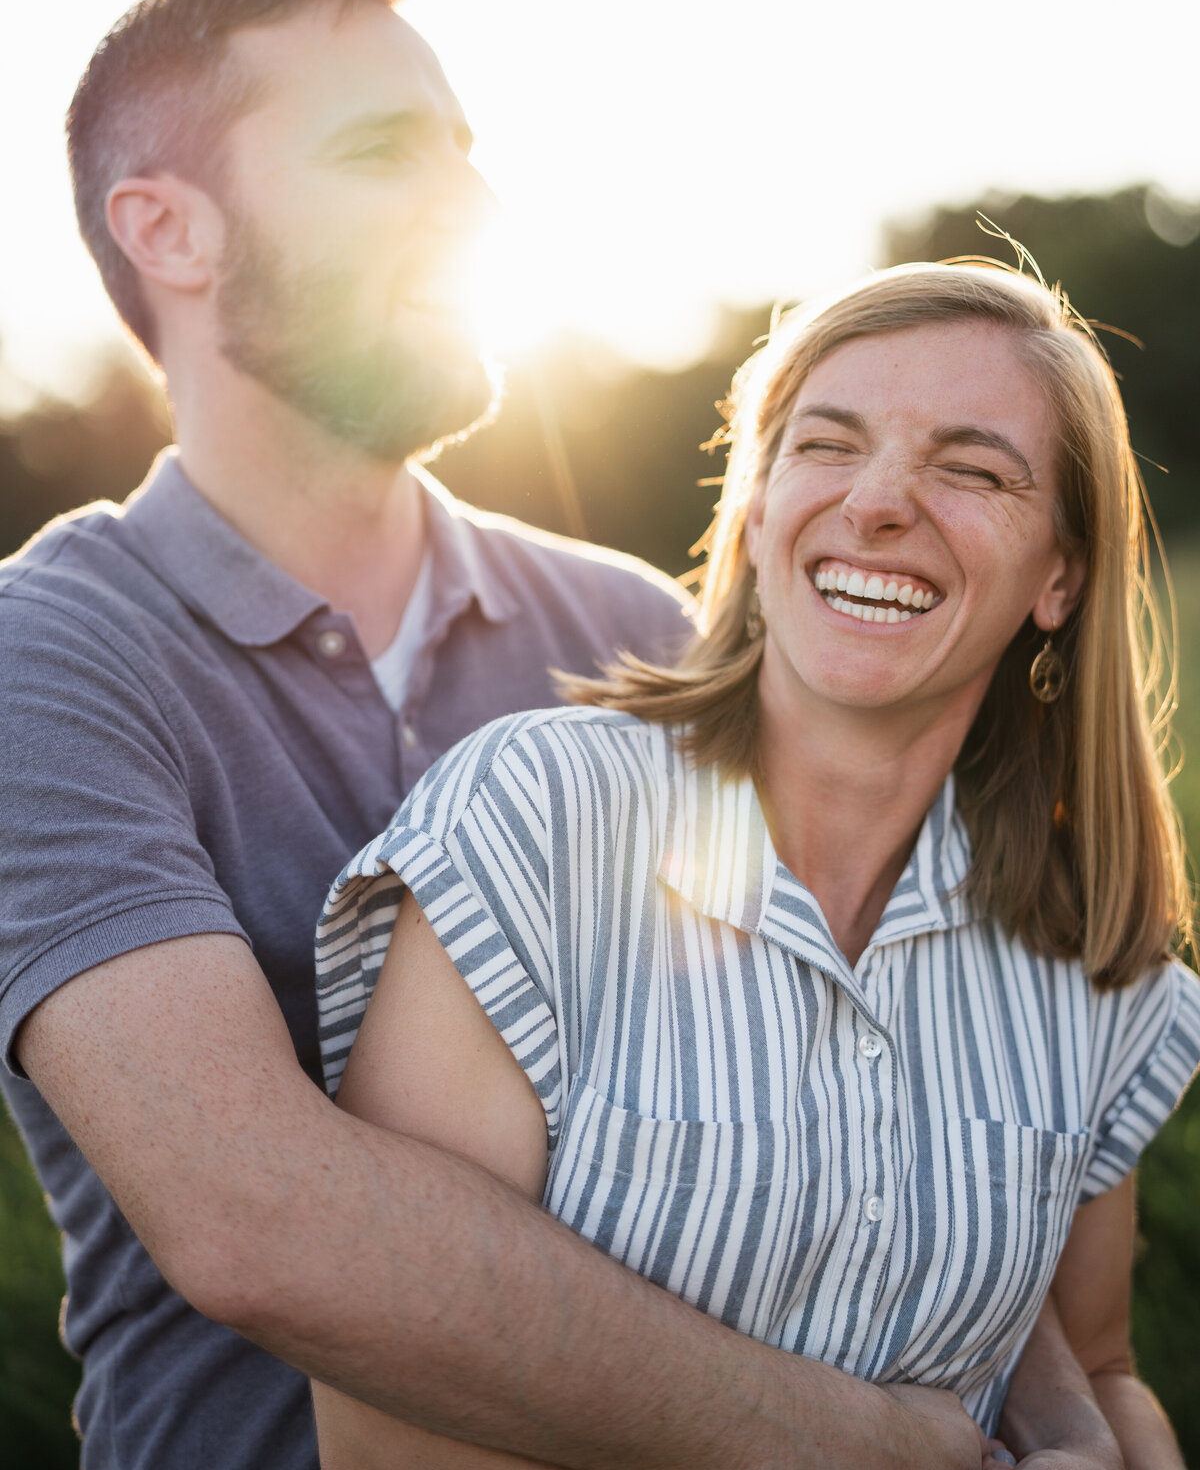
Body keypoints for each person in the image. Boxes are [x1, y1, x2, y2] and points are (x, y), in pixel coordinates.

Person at [2, 0, 1016, 1470]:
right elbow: (255, 1222)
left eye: (466, 153)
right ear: (171, 229)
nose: (472, 206)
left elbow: (881, 1105)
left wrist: (1068, 1407)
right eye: (380, 151)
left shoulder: (637, 629)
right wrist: (868, 1443)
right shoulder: (50, 663)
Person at [314, 261, 1200, 1469]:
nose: (879, 502)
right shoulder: (535, 819)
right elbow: (388, 1413)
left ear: (1062, 576)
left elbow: (1095, 1366)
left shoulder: (1094, 961)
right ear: (756, 506)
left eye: (973, 468)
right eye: (827, 444)